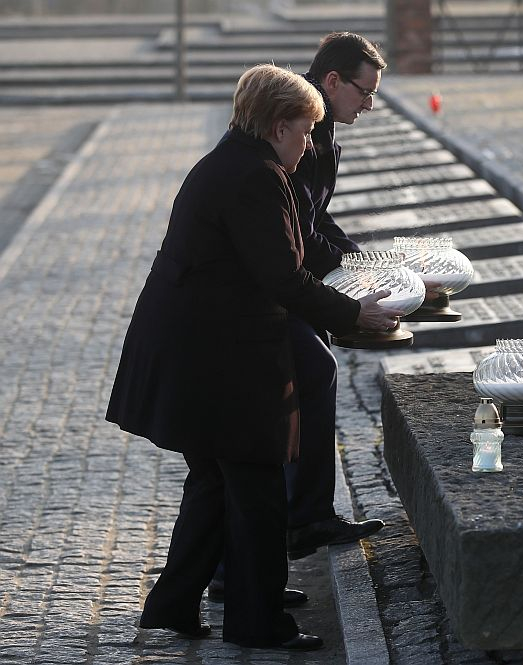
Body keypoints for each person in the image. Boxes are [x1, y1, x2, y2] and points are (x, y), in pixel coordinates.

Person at [105, 64, 402, 650]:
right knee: (259, 486)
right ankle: (257, 621)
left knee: (214, 480)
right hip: (218, 359)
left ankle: (172, 604)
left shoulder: (240, 162)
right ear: (277, 125)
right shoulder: (256, 178)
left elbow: (291, 259)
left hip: (198, 348)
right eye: (304, 131)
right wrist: (354, 314)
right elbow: (284, 279)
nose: (311, 143)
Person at [205, 32, 390, 608]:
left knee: (306, 381)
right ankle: (286, 533)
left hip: (261, 297)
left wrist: (367, 265)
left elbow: (315, 221)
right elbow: (294, 245)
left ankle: (259, 555)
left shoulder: (314, 134)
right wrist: (351, 303)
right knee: (302, 383)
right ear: (332, 82)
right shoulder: (292, 136)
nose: (369, 104)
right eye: (364, 91)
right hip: (242, 310)